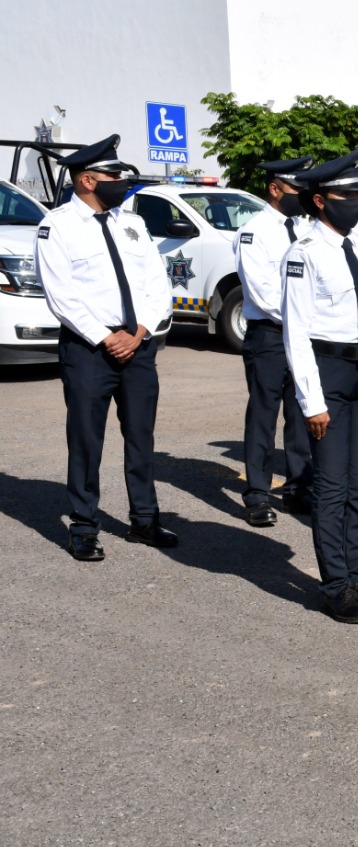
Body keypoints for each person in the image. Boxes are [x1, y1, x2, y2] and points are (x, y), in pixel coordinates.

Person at [35, 134, 178, 561]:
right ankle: (83, 525)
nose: (120, 181)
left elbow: (158, 283)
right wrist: (104, 336)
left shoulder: (131, 223)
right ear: (86, 180)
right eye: (112, 175)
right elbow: (59, 293)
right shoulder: (56, 226)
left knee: (140, 436)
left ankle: (145, 519)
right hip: (89, 350)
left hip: (138, 344)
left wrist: (141, 331)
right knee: (85, 439)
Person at [282, 150, 358, 624]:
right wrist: (311, 401)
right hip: (330, 379)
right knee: (333, 488)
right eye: (349, 195)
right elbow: (296, 333)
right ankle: (335, 583)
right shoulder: (304, 254)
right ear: (320, 200)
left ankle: (357, 576)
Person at [235, 155, 316, 527]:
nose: (301, 196)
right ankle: (256, 493)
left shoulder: (306, 229)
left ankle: (299, 487)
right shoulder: (254, 231)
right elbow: (263, 292)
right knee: (264, 415)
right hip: (269, 334)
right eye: (296, 190)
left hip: (303, 335)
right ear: (274, 189)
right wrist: (302, 320)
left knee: (301, 413)